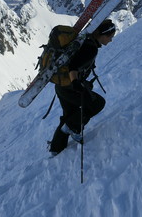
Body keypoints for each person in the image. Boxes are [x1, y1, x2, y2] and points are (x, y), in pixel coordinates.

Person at [49, 19, 116, 156]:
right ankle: (73, 128)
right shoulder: (90, 47)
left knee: (69, 115)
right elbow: (74, 65)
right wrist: (76, 83)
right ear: (102, 34)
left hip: (61, 86)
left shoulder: (85, 41)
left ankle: (56, 149)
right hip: (70, 86)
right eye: (110, 37)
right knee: (97, 103)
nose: (110, 40)